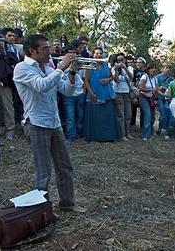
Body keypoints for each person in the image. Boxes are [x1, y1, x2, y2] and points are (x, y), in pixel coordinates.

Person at [13, 34, 85, 213]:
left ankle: (67, 202)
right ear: (32, 51)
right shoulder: (22, 68)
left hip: (54, 123)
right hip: (36, 123)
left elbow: (67, 90)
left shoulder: (47, 68)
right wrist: (61, 67)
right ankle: (42, 211)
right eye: (45, 48)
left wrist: (73, 73)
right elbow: (41, 85)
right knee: (43, 170)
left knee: (64, 166)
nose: (50, 51)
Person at [83, 47, 119, 142]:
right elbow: (86, 81)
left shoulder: (106, 65)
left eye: (100, 53)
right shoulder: (89, 66)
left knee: (107, 115)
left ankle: (107, 136)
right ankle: (96, 136)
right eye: (96, 53)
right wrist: (91, 93)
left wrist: (107, 79)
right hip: (94, 92)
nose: (98, 55)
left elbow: (112, 77)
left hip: (106, 93)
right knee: (96, 116)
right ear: (93, 55)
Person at [60, 44, 85, 142]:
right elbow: (62, 80)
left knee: (80, 115)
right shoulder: (61, 64)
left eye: (74, 52)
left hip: (80, 92)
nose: (72, 54)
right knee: (70, 116)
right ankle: (70, 136)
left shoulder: (81, 63)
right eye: (70, 52)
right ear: (65, 54)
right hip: (68, 94)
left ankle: (79, 134)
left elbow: (83, 78)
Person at [112, 53, 134, 141]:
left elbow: (131, 77)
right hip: (118, 93)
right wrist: (117, 70)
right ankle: (122, 134)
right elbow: (116, 80)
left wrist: (125, 68)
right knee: (121, 115)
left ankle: (127, 133)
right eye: (119, 60)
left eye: (122, 60)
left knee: (128, 114)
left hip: (127, 93)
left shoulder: (130, 68)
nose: (121, 62)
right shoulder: (114, 69)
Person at [138, 63, 159, 140]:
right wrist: (151, 89)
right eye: (152, 68)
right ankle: (145, 135)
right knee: (148, 115)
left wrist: (163, 95)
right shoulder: (145, 77)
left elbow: (156, 90)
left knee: (153, 117)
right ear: (148, 69)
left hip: (152, 98)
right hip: (143, 98)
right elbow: (141, 87)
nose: (154, 70)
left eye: (155, 68)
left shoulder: (155, 79)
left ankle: (150, 132)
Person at [156, 63, 174, 135]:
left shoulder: (172, 78)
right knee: (163, 113)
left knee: (168, 114)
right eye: (166, 67)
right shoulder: (158, 77)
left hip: (168, 99)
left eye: (169, 68)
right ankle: (160, 128)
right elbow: (156, 88)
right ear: (163, 68)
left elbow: (173, 88)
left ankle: (166, 129)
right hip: (160, 98)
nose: (168, 69)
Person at [130, 57, 146, 128]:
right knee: (133, 108)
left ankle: (142, 126)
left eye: (139, 62)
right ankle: (132, 124)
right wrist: (134, 95)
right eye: (137, 62)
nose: (137, 64)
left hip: (144, 93)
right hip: (135, 92)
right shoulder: (134, 71)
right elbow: (131, 84)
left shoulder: (146, 73)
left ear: (143, 63)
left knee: (143, 109)